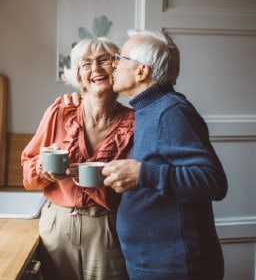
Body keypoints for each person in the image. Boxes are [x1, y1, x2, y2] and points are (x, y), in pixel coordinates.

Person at [101, 29, 228, 280]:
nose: (113, 64)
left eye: (120, 57)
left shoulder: (171, 111)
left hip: (176, 268)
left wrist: (142, 174)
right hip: (155, 264)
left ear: (141, 71)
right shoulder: (147, 109)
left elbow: (214, 182)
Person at [21, 37, 134, 280]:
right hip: (57, 225)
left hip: (107, 225)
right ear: (78, 75)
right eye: (86, 64)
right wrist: (43, 169)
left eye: (104, 60)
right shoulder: (59, 112)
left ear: (117, 67)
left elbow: (138, 183)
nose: (95, 69)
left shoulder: (134, 122)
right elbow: (27, 173)